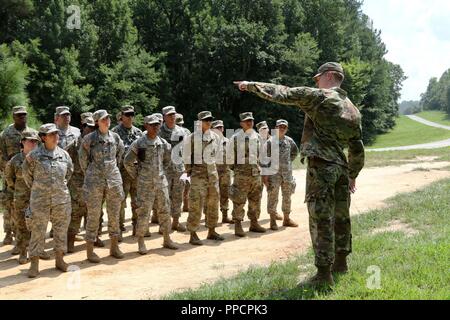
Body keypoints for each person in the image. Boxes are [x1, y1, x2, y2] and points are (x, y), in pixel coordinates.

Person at [234, 62, 365, 287]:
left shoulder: (321, 97)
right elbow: (356, 146)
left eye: (318, 78)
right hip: (341, 169)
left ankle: (324, 274)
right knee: (341, 216)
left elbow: (283, 92)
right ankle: (341, 262)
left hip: (322, 166)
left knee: (320, 217)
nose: (316, 81)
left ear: (331, 76)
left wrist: (250, 85)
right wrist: (352, 173)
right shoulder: (353, 108)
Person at [23, 124, 74, 278]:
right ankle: (34, 264)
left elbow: (68, 173)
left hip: (61, 200)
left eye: (56, 134)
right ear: (43, 137)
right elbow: (27, 176)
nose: (55, 136)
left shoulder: (64, 155)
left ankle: (60, 260)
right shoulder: (34, 156)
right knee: (38, 232)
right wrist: (40, 190)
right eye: (51, 134)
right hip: (40, 200)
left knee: (60, 230)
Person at [123, 114, 179, 254]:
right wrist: (137, 175)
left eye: (157, 124)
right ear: (146, 126)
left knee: (165, 210)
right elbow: (127, 161)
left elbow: (167, 161)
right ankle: (141, 241)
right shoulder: (139, 143)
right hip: (145, 184)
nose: (156, 127)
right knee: (143, 212)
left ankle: (167, 238)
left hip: (161, 183)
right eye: (152, 124)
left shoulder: (163, 144)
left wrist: (162, 174)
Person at [79, 110, 125, 263]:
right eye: (104, 119)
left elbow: (119, 155)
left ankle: (113, 247)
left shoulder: (115, 137)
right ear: (97, 122)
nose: (107, 121)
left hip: (113, 180)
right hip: (94, 182)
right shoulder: (89, 139)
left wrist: (111, 171)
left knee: (114, 213)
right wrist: (93, 173)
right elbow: (83, 160)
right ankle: (90, 251)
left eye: (108, 118)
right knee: (93, 215)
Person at [0, 106, 38, 248]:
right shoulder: (5, 134)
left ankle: (24, 241)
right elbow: (1, 154)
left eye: (24, 115)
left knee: (29, 208)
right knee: (10, 206)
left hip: (29, 178)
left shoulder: (33, 133)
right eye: (18, 115)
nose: (22, 117)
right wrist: (9, 171)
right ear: (13, 117)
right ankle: (9, 233)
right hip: (10, 175)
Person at [184, 111, 223, 245]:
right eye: (206, 120)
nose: (208, 122)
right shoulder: (192, 138)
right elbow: (187, 157)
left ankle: (211, 230)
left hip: (212, 175)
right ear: (199, 122)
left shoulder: (216, 137)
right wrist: (190, 171)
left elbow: (217, 155)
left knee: (213, 203)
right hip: (198, 176)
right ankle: (193, 233)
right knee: (196, 204)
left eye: (210, 119)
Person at [228, 112, 267, 237]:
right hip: (241, 175)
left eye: (251, 120)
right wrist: (237, 169)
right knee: (239, 199)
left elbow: (262, 155)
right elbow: (229, 158)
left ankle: (254, 223)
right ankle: (238, 225)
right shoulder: (235, 138)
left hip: (255, 174)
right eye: (246, 121)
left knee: (256, 199)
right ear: (241, 123)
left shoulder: (257, 137)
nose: (249, 122)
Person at [4, 132, 40, 264]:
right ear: (23, 142)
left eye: (35, 141)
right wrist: (16, 190)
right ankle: (23, 252)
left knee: (38, 224)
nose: (33, 143)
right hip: (21, 197)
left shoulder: (40, 158)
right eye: (30, 141)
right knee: (21, 225)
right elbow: (8, 177)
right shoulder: (15, 160)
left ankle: (37, 250)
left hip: (37, 197)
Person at [66, 113, 97, 252]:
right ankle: (70, 241)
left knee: (94, 212)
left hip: (93, 180)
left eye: (92, 127)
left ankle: (94, 237)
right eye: (87, 127)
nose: (90, 130)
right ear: (82, 127)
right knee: (76, 212)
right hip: (77, 182)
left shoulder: (96, 143)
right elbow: (66, 163)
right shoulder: (74, 145)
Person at [111, 105, 143, 236]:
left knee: (137, 200)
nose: (130, 117)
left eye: (132, 115)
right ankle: (118, 228)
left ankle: (137, 227)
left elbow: (142, 152)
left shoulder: (139, 133)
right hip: (121, 172)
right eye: (127, 115)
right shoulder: (114, 133)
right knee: (120, 201)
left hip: (136, 172)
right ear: (121, 116)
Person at [263, 119, 299, 230]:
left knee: (287, 197)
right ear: (275, 128)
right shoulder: (269, 142)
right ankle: (273, 221)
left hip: (287, 175)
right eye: (280, 126)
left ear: (287, 129)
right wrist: (265, 176)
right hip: (273, 175)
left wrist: (286, 163)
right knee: (273, 197)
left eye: (284, 127)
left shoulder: (289, 141)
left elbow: (294, 153)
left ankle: (286, 219)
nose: (282, 128)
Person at [158, 106, 189, 232]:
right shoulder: (158, 132)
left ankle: (176, 221)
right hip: (164, 170)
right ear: (164, 117)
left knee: (178, 195)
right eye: (169, 115)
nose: (172, 117)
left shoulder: (183, 132)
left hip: (180, 169)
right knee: (164, 197)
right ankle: (164, 224)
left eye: (173, 115)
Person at [211, 120, 233, 224]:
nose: (219, 129)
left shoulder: (228, 141)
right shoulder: (210, 141)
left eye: (221, 127)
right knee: (212, 194)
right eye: (217, 128)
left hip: (225, 172)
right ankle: (209, 216)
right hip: (213, 172)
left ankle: (225, 215)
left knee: (225, 193)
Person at [176, 113, 191, 213]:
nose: (180, 126)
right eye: (179, 124)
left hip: (184, 161)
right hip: (176, 162)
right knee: (179, 186)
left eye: (181, 124)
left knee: (187, 184)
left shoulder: (186, 131)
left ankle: (186, 205)